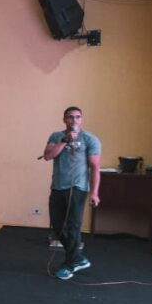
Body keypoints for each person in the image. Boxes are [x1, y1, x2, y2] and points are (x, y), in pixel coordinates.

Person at [43, 106, 101, 280]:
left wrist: (95, 193)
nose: (74, 120)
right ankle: (77, 258)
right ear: (64, 119)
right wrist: (64, 141)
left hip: (78, 188)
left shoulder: (90, 139)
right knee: (57, 225)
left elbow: (95, 168)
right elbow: (47, 156)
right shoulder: (56, 136)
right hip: (58, 187)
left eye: (77, 117)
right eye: (70, 117)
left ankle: (69, 264)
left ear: (81, 119)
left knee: (73, 226)